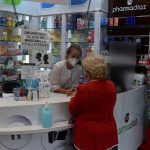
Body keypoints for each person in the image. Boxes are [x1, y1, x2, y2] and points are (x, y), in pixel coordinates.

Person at [69, 54, 118, 150]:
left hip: (90, 138)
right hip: (109, 136)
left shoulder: (84, 89)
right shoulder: (111, 85)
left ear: (88, 72)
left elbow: (73, 109)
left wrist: (73, 96)